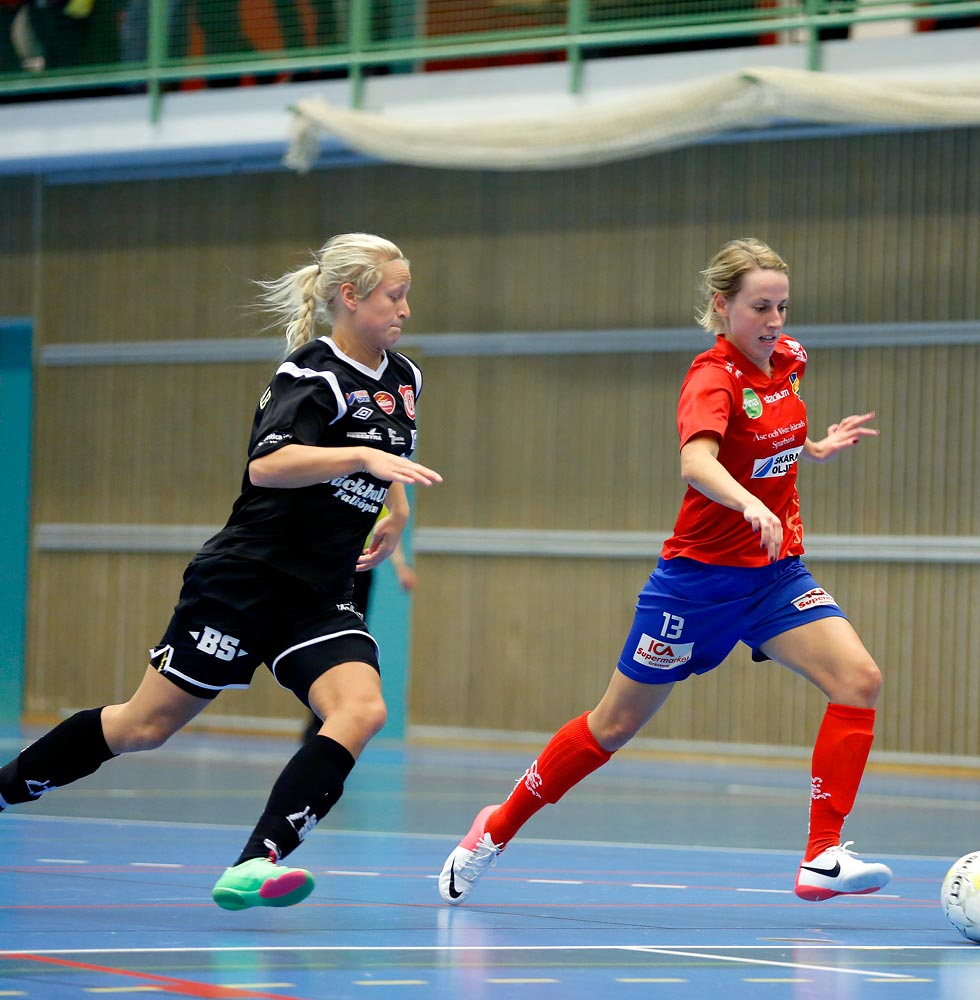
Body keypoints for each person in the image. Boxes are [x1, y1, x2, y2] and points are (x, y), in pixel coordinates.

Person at [438, 237, 888, 905]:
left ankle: (821, 855)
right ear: (722, 306)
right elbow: (698, 464)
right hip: (696, 585)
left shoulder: (788, 361)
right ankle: (494, 830)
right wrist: (746, 503)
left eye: (782, 307)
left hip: (774, 577)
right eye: (759, 307)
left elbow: (774, 441)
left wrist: (817, 448)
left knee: (859, 680)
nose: (774, 321)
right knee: (611, 726)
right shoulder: (712, 378)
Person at [0, 233, 441, 911]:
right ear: (350, 298)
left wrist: (397, 510)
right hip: (246, 580)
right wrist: (357, 460)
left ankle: (253, 865)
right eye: (395, 294)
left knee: (362, 709)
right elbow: (269, 464)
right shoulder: (309, 375)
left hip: (320, 594)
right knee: (142, 728)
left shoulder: (405, 378)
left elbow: (391, 453)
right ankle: (5, 788)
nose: (406, 308)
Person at [301, 522, 415, 744]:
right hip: (327, 568)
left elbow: (389, 529)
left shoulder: (376, 494)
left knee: (352, 639)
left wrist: (401, 567)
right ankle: (318, 720)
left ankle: (327, 721)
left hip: (360, 570)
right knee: (321, 640)